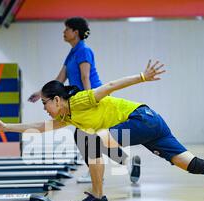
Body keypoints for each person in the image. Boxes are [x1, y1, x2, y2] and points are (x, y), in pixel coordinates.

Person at [0, 60, 204, 201]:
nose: (46, 110)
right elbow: (39, 128)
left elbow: (109, 86)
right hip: (151, 126)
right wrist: (6, 128)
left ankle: (99, 195)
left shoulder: (82, 100)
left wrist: (142, 77)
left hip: (141, 119)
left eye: (46, 104)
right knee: (192, 165)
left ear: (58, 100)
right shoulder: (68, 116)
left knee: (88, 140)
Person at [28, 16, 140, 184]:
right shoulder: (72, 53)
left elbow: (85, 76)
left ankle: (99, 172)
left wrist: (91, 102)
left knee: (86, 137)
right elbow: (60, 79)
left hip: (92, 99)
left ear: (75, 32)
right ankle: (125, 164)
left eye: (66, 29)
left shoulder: (84, 50)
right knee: (91, 138)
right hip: (80, 101)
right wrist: (41, 93)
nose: (63, 32)